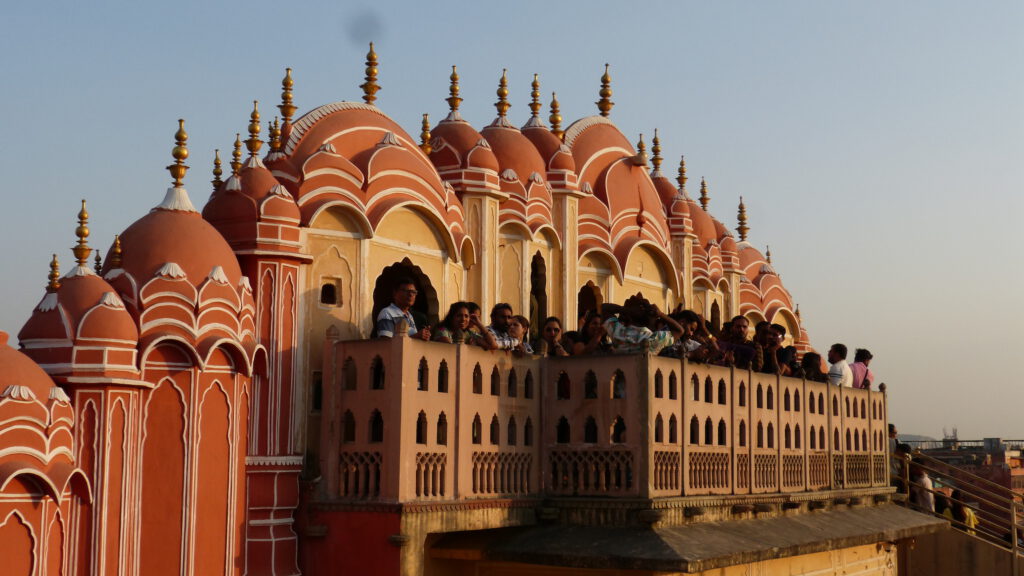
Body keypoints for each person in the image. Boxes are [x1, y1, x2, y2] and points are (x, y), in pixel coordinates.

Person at [601, 295, 683, 356]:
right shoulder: (654, 338)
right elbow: (679, 330)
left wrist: (626, 310)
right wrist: (660, 314)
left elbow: (603, 308)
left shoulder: (619, 333)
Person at [432, 302, 497, 349]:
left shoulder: (469, 333)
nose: (463, 319)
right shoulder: (442, 330)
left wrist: (479, 324)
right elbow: (452, 350)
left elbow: (493, 345)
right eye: (459, 316)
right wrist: (469, 345)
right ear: (451, 317)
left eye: (466, 316)